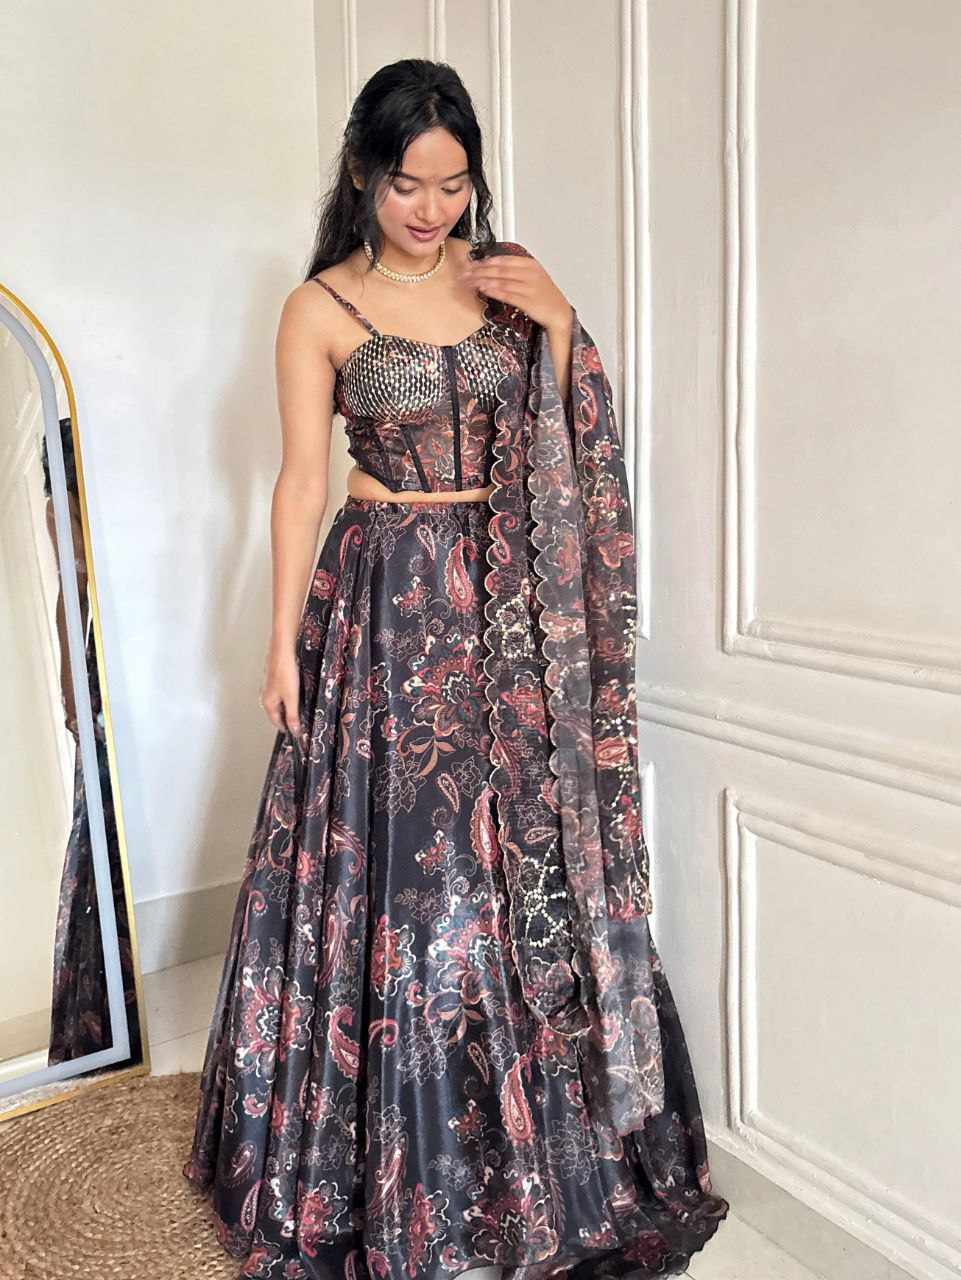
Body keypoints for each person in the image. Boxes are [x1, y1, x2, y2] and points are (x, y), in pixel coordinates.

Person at [183, 57, 729, 1280]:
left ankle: (534, 1149)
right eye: (406, 184)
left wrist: (562, 322)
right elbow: (300, 483)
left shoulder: (505, 280)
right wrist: (278, 640)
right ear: (362, 175)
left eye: (452, 183)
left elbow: (572, 422)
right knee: (407, 869)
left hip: (512, 608)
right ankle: (401, 1159)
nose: (431, 209)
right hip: (384, 604)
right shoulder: (319, 305)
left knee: (514, 849)